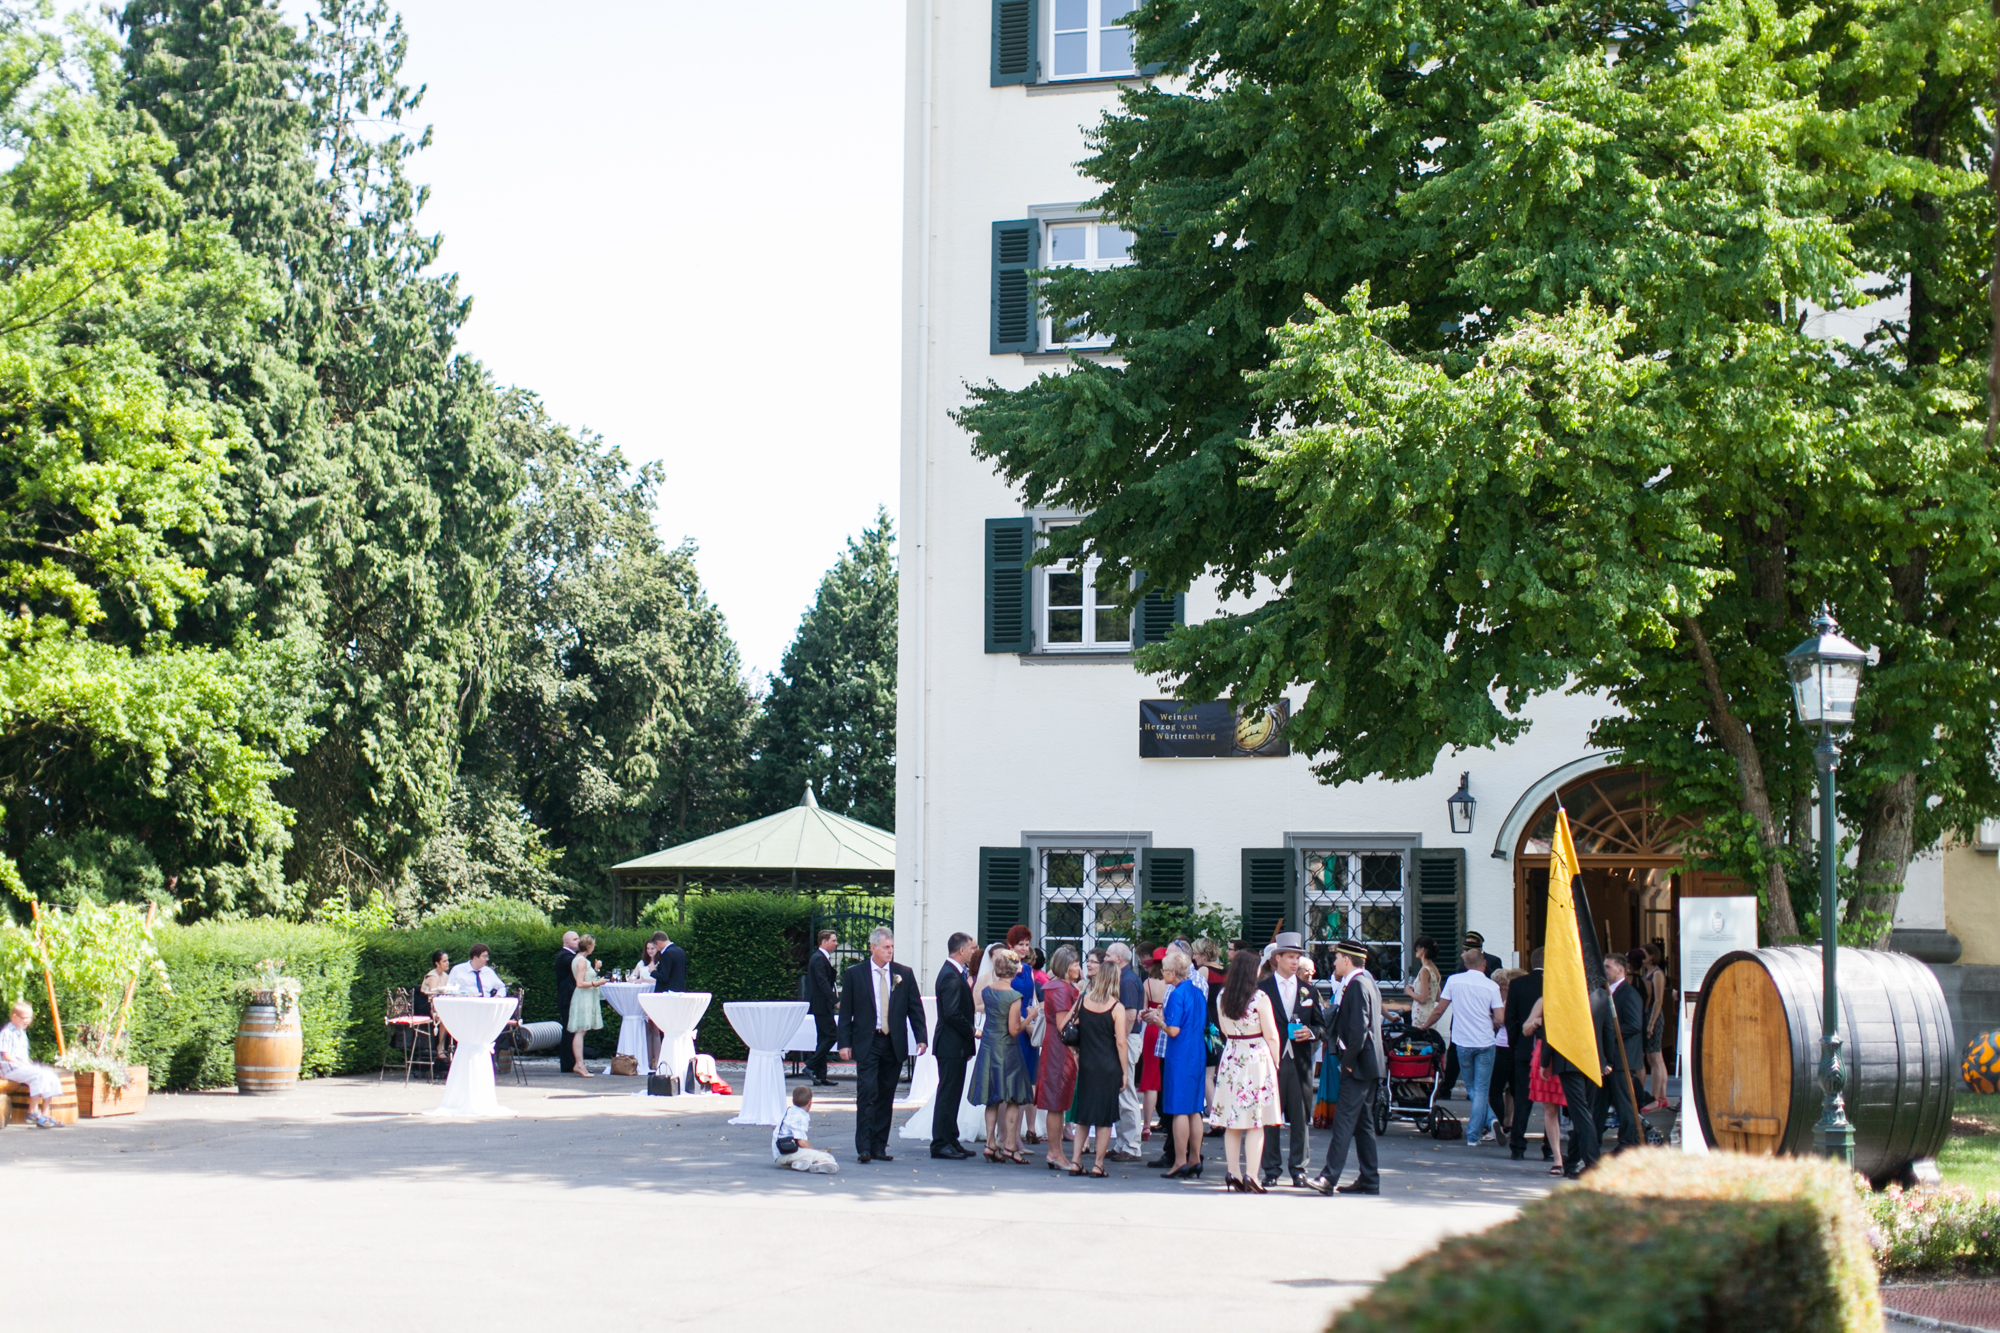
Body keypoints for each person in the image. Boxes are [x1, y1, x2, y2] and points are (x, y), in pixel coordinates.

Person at [836, 927, 928, 1164]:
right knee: (867, 1093)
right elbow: (846, 1012)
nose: (890, 951)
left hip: (893, 1042)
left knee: (886, 1095)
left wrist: (921, 1037)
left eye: (892, 947)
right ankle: (864, 1147)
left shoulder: (903, 974)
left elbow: (914, 1009)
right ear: (873, 948)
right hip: (868, 1041)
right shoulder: (855, 974)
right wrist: (844, 1043)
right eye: (886, 947)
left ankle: (879, 1146)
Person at [1310, 941, 1384, 1195]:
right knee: (1363, 1124)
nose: (1334, 962)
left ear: (1347, 960)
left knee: (1343, 1121)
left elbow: (1359, 1030)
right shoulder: (1367, 981)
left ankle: (1328, 1178)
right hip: (1368, 1065)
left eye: (1337, 957)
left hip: (1359, 1065)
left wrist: (1348, 1064)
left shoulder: (1356, 985)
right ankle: (1369, 1179)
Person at [1210, 945, 1282, 1192]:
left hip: (1231, 1054)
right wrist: (1276, 1062)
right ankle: (1252, 1174)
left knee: (1233, 1121)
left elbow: (1222, 1027)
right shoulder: (1260, 998)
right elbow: (1272, 1035)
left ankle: (1233, 1172)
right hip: (1255, 1056)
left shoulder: (1222, 997)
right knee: (1256, 1121)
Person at [1257, 931, 1324, 1188]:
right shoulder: (1262, 989)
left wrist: (1312, 1032)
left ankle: (1299, 1169)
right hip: (1271, 1059)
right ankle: (1271, 1169)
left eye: (1298, 957)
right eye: (1291, 957)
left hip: (1300, 1061)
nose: (1295, 962)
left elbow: (1321, 1026)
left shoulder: (1308, 990)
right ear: (1278, 958)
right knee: (1270, 1116)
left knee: (1300, 1116)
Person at [1426, 944, 1503, 1147]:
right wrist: (1492, 1019)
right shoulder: (1492, 986)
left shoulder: (1454, 980)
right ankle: (1483, 1127)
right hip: (1486, 1041)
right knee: (1480, 1089)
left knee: (1472, 1088)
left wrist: (1424, 1026)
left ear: (1465, 964)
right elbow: (1501, 1018)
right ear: (1485, 964)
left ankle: (1477, 1132)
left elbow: (1439, 1010)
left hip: (1462, 1041)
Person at [1067, 943, 1130, 1178]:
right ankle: (1098, 1164)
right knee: (1104, 1119)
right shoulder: (1117, 1007)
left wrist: (1076, 1052)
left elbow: (1069, 1029)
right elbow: (1121, 1043)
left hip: (1087, 1063)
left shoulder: (1083, 1001)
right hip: (1108, 1065)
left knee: (1083, 1116)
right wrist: (1124, 1072)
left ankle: (1075, 1161)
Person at [969, 949, 1034, 1162]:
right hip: (1007, 1048)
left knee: (991, 1098)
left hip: (988, 1046)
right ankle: (1009, 1145)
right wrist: (1030, 1017)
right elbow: (1014, 1029)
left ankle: (990, 1143)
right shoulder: (1014, 995)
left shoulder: (988, 991)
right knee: (1013, 1097)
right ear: (1015, 970)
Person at [1157, 949, 1207, 1178]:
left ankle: (1180, 1161)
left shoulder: (1176, 994)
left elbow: (1173, 1030)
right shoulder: (1198, 992)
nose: (1163, 973)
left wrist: (1159, 1021)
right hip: (1197, 1053)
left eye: (1165, 970)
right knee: (1195, 1109)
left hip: (1180, 1056)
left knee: (1178, 1110)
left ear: (1173, 973)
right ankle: (1195, 1158)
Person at [931, 931, 980, 1159]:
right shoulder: (950, 976)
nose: (974, 952)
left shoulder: (954, 972)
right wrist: (972, 1031)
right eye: (972, 948)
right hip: (951, 1046)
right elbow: (951, 1013)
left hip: (955, 1045)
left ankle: (951, 1138)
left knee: (953, 1093)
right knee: (948, 1094)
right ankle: (941, 1143)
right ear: (961, 950)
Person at [1035, 945, 1082, 1170]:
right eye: (1075, 964)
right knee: (1056, 1102)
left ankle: (1056, 1152)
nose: (1078, 967)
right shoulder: (1062, 990)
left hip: (1055, 1046)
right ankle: (1055, 1153)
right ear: (1065, 966)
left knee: (1058, 1102)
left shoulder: (1059, 987)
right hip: (1060, 1049)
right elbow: (1065, 1026)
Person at [1599, 953, 1645, 1152]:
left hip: (1622, 1057)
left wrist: (1610, 1034)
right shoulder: (1606, 991)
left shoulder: (1629, 994)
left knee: (1623, 1102)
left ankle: (1628, 1142)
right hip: (1609, 1058)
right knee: (1600, 1103)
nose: (1605, 970)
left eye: (1608, 967)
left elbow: (1634, 1024)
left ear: (1621, 970)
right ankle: (1591, 1141)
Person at [1504, 949, 1547, 1160]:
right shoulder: (1555, 985)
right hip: (1550, 1050)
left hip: (1524, 1047)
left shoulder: (1518, 984)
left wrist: (1516, 1044)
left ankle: (1518, 1146)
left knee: (1522, 1098)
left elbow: (1510, 1019)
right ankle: (1549, 1149)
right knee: (1551, 1102)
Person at [1106, 941, 1145, 1163]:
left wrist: (1121, 1039)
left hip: (1127, 1039)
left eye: (1108, 956)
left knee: (1127, 1091)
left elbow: (1130, 1015)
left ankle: (1131, 1146)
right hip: (1126, 1038)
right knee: (1121, 1092)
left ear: (1118, 959)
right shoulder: (1127, 978)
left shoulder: (1128, 981)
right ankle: (1123, 1143)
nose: (1105, 959)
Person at [1521, 994, 1567, 1177]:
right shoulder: (1544, 1000)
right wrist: (1537, 1022)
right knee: (1550, 1109)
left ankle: (1580, 1155)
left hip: (1570, 1051)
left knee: (1579, 1107)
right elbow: (1525, 1029)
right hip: (1545, 1053)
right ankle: (1557, 1158)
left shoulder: (1578, 997)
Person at [0, 1001, 62, 1128]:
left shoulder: (22, 1033)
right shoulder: (7, 1032)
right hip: (10, 1068)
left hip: (20, 1067)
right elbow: (6, 1055)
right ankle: (32, 1112)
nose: (27, 1021)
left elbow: (24, 1056)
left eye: (29, 1018)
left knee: (49, 1074)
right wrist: (23, 1065)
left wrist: (28, 1065)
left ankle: (45, 1113)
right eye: (24, 1018)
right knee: (38, 1075)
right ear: (14, 1017)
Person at [1489, 968, 1523, 1146]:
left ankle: (1499, 1123)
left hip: (1503, 1045)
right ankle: (1514, 1124)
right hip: (1517, 1046)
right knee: (1516, 1090)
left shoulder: (1506, 1000)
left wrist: (1493, 1018)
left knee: (1495, 1088)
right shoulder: (1522, 998)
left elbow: (1503, 1021)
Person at [773, 1084, 839, 1174]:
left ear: (793, 1100)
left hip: (778, 1155)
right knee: (824, 1155)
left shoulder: (788, 1111)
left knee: (807, 1155)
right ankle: (824, 1163)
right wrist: (815, 1150)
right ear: (810, 1102)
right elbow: (802, 1142)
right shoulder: (800, 1117)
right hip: (787, 1154)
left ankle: (799, 1163)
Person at [567, 935, 607, 1075]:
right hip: (583, 997)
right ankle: (579, 1065)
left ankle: (579, 1064)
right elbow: (579, 983)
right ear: (589, 947)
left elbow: (585, 977)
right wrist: (597, 983)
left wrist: (596, 970)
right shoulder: (582, 961)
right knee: (580, 1031)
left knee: (581, 1031)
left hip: (586, 996)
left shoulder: (580, 960)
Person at [805, 928, 840, 1087]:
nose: (836, 943)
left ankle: (820, 1075)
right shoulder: (819, 959)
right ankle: (811, 1065)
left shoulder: (820, 958)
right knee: (832, 1035)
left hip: (822, 1005)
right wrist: (835, 1001)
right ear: (824, 942)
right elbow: (822, 983)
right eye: (833, 940)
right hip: (821, 1006)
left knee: (823, 1038)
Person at [1641, 943, 1672, 1111]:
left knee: (1654, 1058)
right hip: (1650, 1016)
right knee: (1656, 1058)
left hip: (1654, 1016)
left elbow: (1658, 1000)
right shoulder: (1648, 973)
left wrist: (1652, 1022)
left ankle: (1656, 1097)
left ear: (1651, 956)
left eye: (1644, 953)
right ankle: (1662, 1096)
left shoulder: (1657, 974)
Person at [554, 930, 580, 1074]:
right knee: (569, 1031)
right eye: (575, 939)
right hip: (567, 999)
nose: (578, 941)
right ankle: (568, 1064)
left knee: (571, 1030)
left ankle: (571, 1062)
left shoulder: (570, 956)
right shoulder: (565, 956)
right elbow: (576, 964)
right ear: (566, 943)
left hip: (570, 998)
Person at [1409, 936, 1444, 1030]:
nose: (1416, 951)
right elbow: (1437, 997)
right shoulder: (1435, 969)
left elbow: (1423, 999)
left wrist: (1409, 992)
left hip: (1421, 1015)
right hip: (1430, 1014)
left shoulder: (1424, 971)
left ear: (1423, 950)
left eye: (1417, 949)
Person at [416, 950, 450, 1015]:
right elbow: (433, 997)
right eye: (444, 961)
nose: (447, 963)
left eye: (447, 960)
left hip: (440, 1003)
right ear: (437, 963)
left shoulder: (445, 976)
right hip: (426, 1005)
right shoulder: (433, 977)